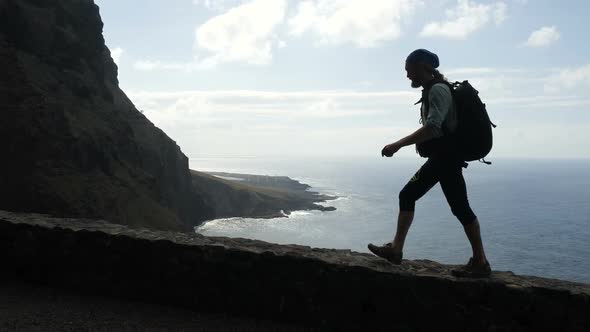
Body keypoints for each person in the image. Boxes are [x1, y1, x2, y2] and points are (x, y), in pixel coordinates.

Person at [368, 49, 491, 278]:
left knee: (413, 196)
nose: (407, 76)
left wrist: (397, 145)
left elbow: (433, 128)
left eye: (409, 70)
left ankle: (397, 250)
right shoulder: (433, 90)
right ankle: (480, 261)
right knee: (455, 207)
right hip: (444, 159)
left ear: (422, 65)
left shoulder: (438, 90)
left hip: (445, 158)